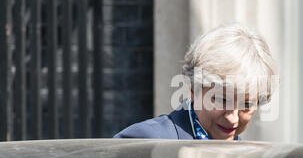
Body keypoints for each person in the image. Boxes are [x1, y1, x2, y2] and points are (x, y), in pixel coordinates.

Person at [113, 23, 278, 140]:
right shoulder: (146, 142)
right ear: (192, 89)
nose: (233, 118)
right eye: (221, 99)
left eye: (246, 105)